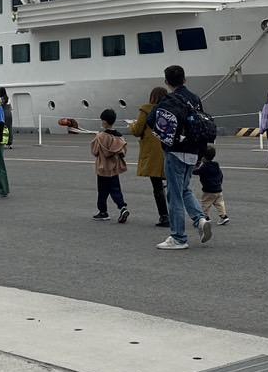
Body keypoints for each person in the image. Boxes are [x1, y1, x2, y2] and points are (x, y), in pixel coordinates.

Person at [154, 65, 213, 251]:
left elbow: (153, 120)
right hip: (193, 150)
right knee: (185, 189)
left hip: (175, 151)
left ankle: (178, 237)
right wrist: (200, 154)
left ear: (166, 82)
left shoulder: (169, 100)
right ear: (185, 79)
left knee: (174, 194)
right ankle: (200, 219)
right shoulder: (194, 99)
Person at [129, 86, 170, 227]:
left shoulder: (146, 109)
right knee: (176, 186)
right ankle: (186, 215)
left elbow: (137, 130)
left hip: (153, 152)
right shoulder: (169, 110)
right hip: (169, 149)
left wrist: (132, 125)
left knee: (157, 187)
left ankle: (164, 216)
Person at [89, 109, 128, 221]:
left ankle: (103, 211)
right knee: (116, 189)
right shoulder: (120, 137)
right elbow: (123, 152)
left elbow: (95, 151)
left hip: (103, 168)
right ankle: (122, 206)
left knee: (102, 191)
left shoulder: (100, 137)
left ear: (104, 122)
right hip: (114, 168)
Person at [196, 144, 227, 224]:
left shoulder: (204, 167)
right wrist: (219, 183)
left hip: (208, 190)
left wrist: (191, 169)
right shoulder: (216, 165)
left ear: (203, 157)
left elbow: (196, 172)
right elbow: (221, 175)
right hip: (218, 189)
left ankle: (205, 217)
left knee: (205, 203)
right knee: (219, 203)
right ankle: (223, 216)